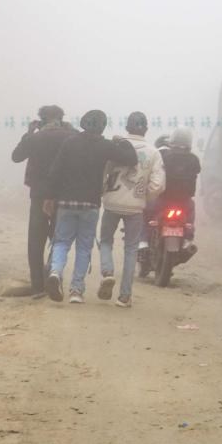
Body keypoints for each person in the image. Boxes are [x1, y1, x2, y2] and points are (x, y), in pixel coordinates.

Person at [45, 110, 137, 303]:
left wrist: (50, 197)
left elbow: (55, 170)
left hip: (66, 202)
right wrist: (122, 141)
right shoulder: (105, 146)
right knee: (84, 247)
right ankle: (76, 291)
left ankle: (55, 272)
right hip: (90, 204)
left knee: (61, 242)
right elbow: (131, 159)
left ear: (83, 123)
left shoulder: (69, 142)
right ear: (103, 127)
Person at [97, 112, 165, 307]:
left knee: (106, 240)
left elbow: (103, 172)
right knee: (131, 249)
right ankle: (124, 296)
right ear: (146, 129)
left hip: (112, 203)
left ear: (127, 127)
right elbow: (158, 185)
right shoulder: (153, 153)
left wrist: (103, 191)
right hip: (135, 207)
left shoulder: (115, 146)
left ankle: (108, 272)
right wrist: (144, 197)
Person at [10, 105, 76, 298]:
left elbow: (16, 157)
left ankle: (37, 285)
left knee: (35, 241)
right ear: (61, 118)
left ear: (42, 120)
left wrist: (29, 133)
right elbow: (84, 145)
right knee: (59, 240)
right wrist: (71, 129)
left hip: (39, 195)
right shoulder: (70, 137)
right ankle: (53, 276)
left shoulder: (35, 138)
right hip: (63, 195)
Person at [159, 127, 201, 237]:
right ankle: (188, 235)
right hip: (184, 200)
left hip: (164, 198)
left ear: (172, 140)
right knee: (191, 210)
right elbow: (197, 170)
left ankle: (145, 238)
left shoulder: (164, 156)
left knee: (149, 214)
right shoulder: (194, 159)